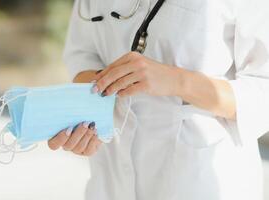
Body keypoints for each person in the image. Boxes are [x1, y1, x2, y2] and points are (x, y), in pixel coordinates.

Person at [47, 0, 269, 199]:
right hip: (109, 180)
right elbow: (81, 54)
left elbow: (263, 91)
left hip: (199, 181)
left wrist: (178, 81)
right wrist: (86, 114)